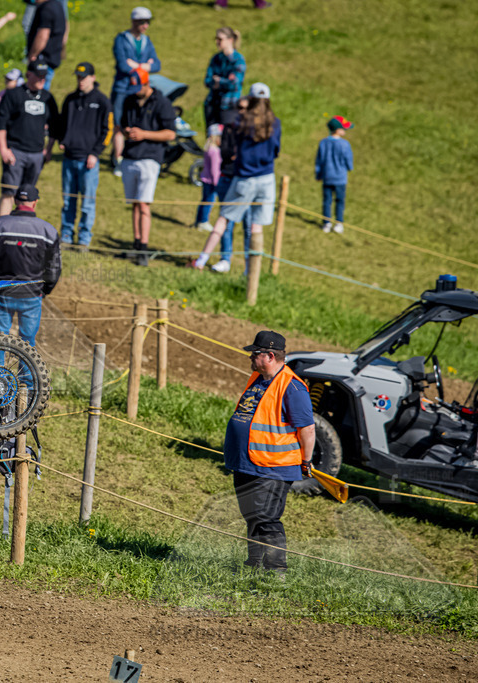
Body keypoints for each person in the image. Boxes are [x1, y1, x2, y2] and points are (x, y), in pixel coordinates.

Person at [225, 331, 314, 574]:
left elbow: (307, 429)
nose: (250, 357)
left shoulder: (293, 388)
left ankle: (276, 572)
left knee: (267, 518)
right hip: (247, 463)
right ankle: (253, 565)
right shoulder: (258, 378)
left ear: (270, 355)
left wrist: (306, 462)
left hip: (274, 466)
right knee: (252, 517)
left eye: (255, 353)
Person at [190, 83, 281, 271]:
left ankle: (201, 260)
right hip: (266, 179)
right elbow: (275, 151)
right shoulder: (275, 122)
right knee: (256, 227)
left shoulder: (240, 122)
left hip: (244, 178)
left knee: (224, 219)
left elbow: (233, 150)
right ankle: (251, 272)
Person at [0, 183, 60, 347]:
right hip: (32, 294)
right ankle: (26, 374)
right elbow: (54, 269)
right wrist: (43, 291)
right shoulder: (48, 231)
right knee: (27, 342)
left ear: (15, 201)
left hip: (1, 292)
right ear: (35, 202)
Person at [116, 67, 176, 265]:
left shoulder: (162, 103)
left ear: (147, 83)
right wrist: (127, 132)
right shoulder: (129, 100)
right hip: (130, 156)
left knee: (144, 203)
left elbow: (170, 134)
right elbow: (122, 124)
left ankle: (144, 247)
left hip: (150, 158)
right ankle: (136, 244)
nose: (135, 91)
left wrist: (144, 134)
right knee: (134, 202)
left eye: (138, 87)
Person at [0, 59, 59, 217]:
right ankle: (2, 230)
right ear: (28, 74)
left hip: (37, 154)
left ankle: (24, 230)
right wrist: (3, 149)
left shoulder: (47, 98)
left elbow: (54, 127)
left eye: (44, 76)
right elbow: (0, 124)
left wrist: (48, 150)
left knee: (29, 195)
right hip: (15, 151)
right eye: (38, 76)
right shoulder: (13, 95)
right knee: (9, 192)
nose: (42, 80)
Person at [58, 61, 110, 248]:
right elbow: (62, 123)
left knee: (87, 202)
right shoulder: (70, 99)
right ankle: (66, 234)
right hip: (69, 158)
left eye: (84, 77)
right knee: (68, 200)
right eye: (78, 77)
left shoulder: (102, 101)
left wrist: (95, 154)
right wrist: (63, 140)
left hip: (89, 160)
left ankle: (84, 239)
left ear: (93, 78)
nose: (81, 81)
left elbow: (108, 130)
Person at [111, 7, 159, 172]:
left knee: (134, 124)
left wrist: (137, 66)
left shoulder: (147, 41)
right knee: (119, 124)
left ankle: (129, 155)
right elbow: (123, 64)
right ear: (134, 22)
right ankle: (118, 159)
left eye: (147, 22)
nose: (145, 26)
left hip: (139, 89)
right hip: (123, 88)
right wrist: (145, 66)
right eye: (142, 22)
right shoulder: (122, 39)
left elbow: (157, 64)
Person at [210, 99, 252, 274]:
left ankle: (250, 266)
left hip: (247, 182)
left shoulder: (252, 131)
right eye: (239, 108)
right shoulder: (229, 128)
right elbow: (225, 153)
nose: (241, 112)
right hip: (227, 178)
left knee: (249, 225)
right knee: (226, 223)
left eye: (244, 108)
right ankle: (225, 259)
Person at [315, 115, 354, 234]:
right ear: (338, 129)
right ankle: (339, 223)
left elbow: (319, 160)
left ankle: (327, 223)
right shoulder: (345, 144)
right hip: (340, 178)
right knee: (340, 201)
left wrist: (318, 174)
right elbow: (348, 160)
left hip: (327, 176)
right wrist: (349, 167)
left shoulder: (323, 143)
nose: (345, 130)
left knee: (327, 201)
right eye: (344, 128)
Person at [203, 26, 245, 127]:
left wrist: (218, 81)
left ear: (230, 40)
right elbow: (207, 81)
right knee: (211, 138)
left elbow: (234, 84)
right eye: (216, 39)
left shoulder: (238, 60)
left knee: (227, 139)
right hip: (212, 103)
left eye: (220, 39)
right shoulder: (216, 58)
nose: (217, 41)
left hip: (229, 105)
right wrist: (224, 81)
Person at [26, 0, 68, 89]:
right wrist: (62, 46)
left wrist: (32, 55)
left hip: (42, 61)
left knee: (38, 92)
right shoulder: (58, 4)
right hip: (53, 57)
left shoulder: (46, 9)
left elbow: (43, 36)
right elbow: (66, 24)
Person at [194, 123, 224, 231]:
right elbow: (215, 170)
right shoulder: (215, 151)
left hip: (205, 179)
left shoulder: (208, 149)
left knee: (204, 200)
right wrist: (217, 184)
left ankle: (198, 221)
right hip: (212, 182)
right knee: (209, 202)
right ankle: (203, 221)